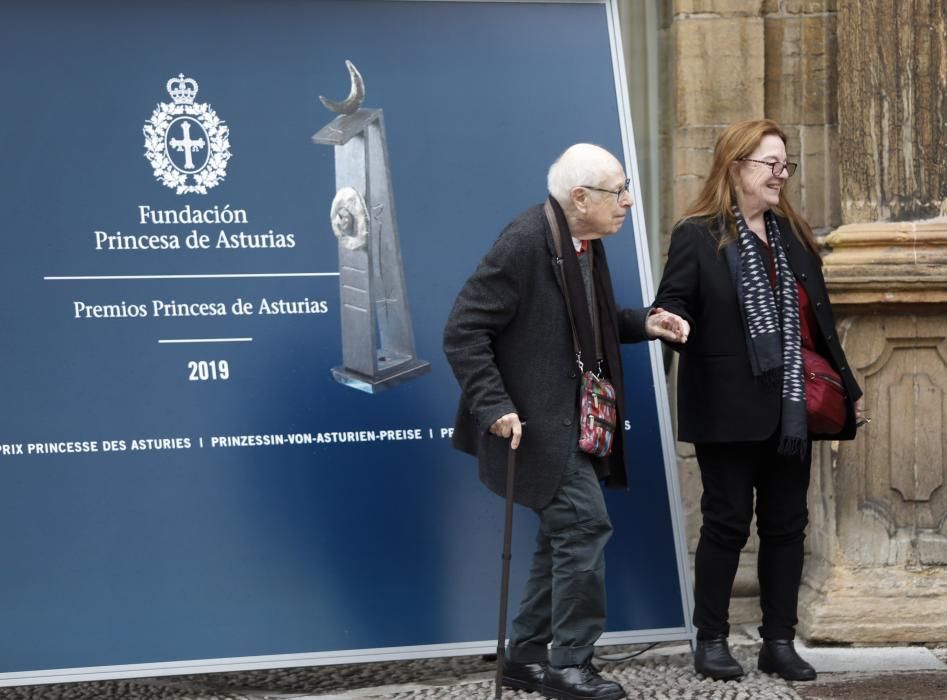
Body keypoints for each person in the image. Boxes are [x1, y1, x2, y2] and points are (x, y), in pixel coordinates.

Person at [443, 143, 688, 700]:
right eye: (618, 191)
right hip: (532, 423)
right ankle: (569, 667)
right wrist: (495, 406)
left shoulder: (583, 239)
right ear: (580, 198)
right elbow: (462, 330)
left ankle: (526, 658)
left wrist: (645, 323)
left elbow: (588, 323)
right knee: (583, 526)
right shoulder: (526, 242)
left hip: (571, 422)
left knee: (564, 534)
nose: (628, 201)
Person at [653, 119, 865, 682]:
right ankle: (713, 639)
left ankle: (778, 641)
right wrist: (668, 321)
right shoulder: (697, 234)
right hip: (725, 409)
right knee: (725, 524)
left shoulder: (791, 234)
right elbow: (673, 301)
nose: (781, 174)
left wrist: (848, 392)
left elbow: (817, 323)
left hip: (790, 409)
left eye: (785, 164)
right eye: (770, 163)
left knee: (786, 526)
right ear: (735, 166)